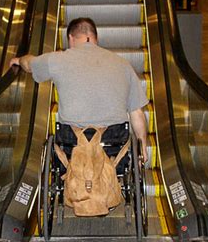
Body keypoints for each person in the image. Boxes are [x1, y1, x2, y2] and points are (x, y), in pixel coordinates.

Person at [9, 17, 149, 163]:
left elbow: (29, 64)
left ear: (70, 38)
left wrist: (19, 60)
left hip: (72, 149)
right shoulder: (123, 65)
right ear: (96, 38)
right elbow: (136, 112)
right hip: (113, 151)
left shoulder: (58, 59)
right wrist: (143, 148)